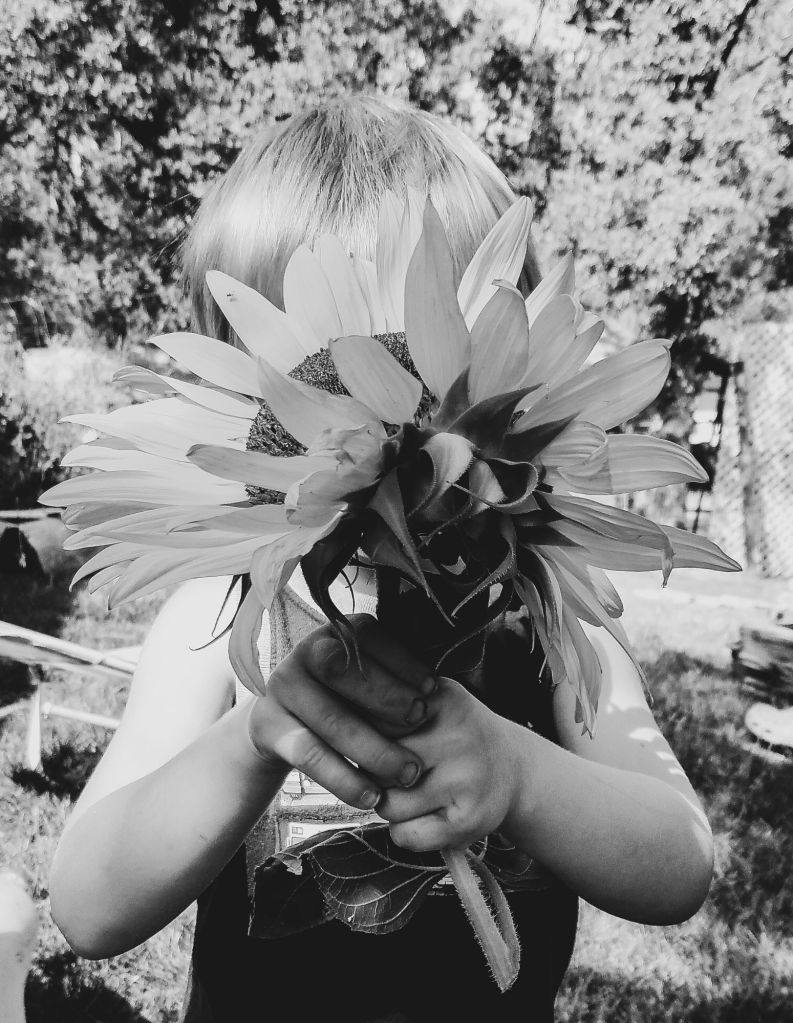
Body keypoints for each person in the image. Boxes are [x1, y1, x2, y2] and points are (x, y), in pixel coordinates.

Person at [49, 96, 714, 1023]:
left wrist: (519, 773)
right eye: (299, 370)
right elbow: (87, 904)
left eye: (418, 346)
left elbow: (678, 862)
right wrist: (252, 738)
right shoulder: (221, 613)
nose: (359, 411)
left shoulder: (546, 621)